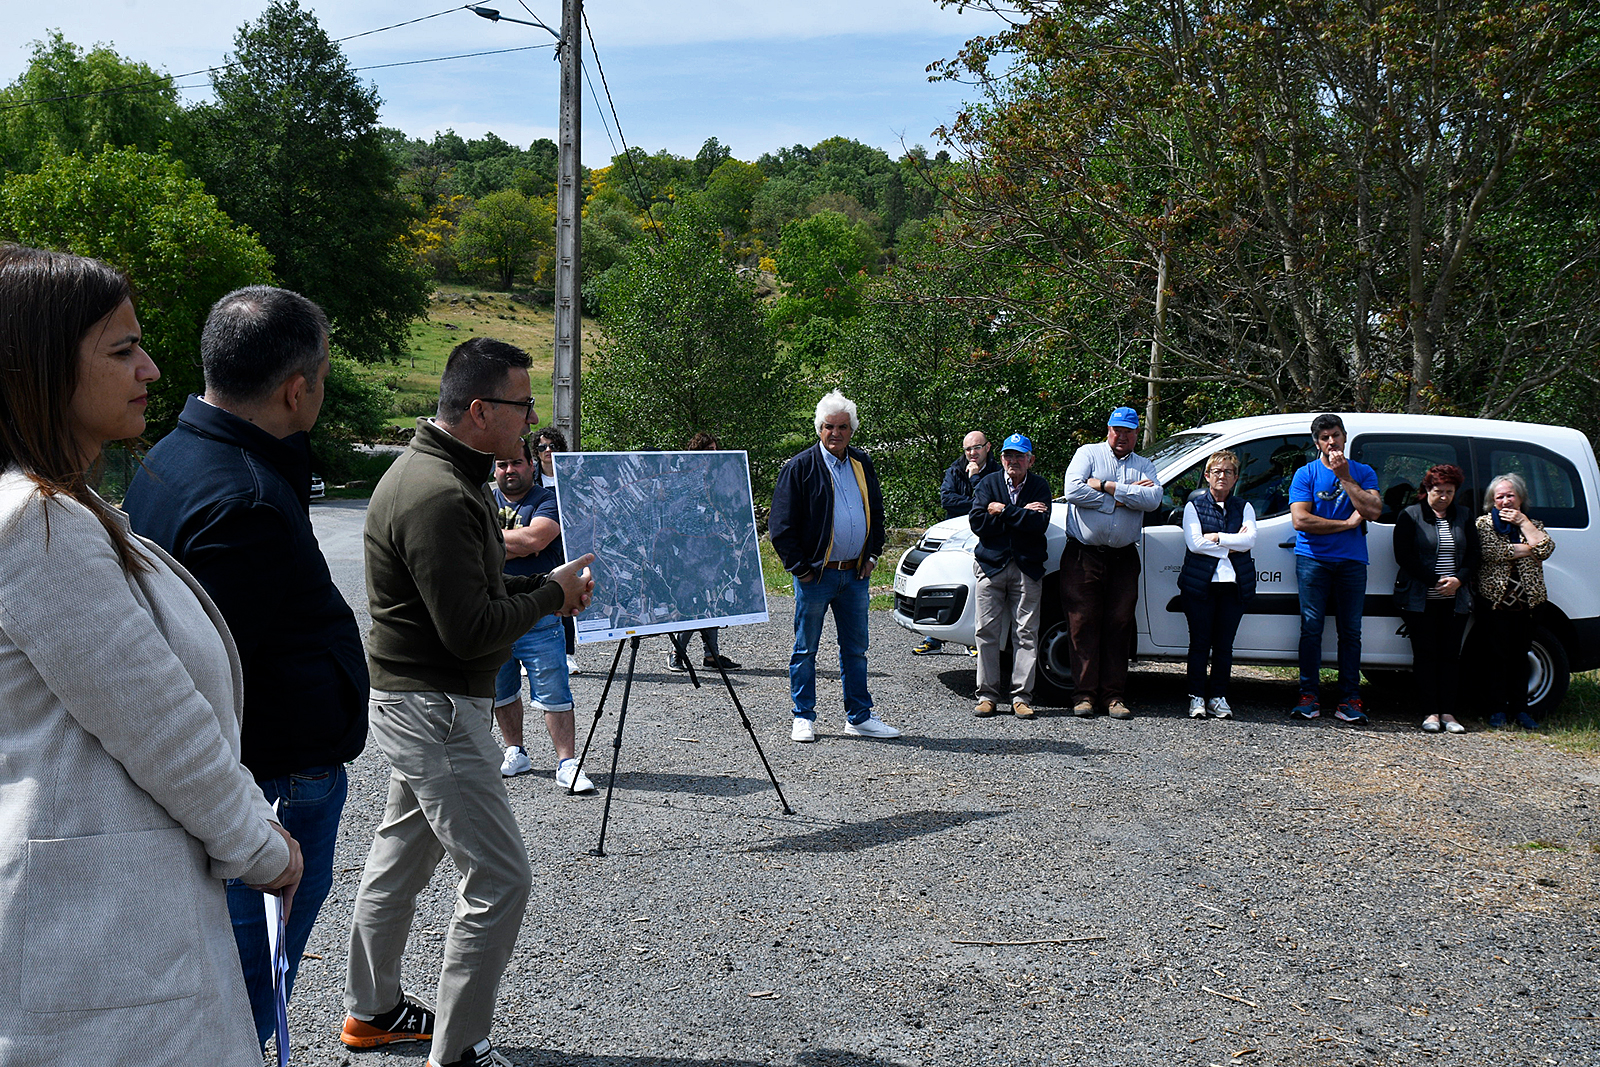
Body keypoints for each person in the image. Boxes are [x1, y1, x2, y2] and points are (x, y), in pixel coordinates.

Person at [0, 245, 300, 1064]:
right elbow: (161, 723)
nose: (152, 368)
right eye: (122, 348)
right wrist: (262, 845)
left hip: (110, 925)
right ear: (42, 367)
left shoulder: (64, 507)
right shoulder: (41, 523)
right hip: (98, 942)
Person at [124, 286, 367, 1049]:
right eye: (322, 375)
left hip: (268, 777)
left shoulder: (178, 451)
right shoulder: (247, 499)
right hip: (274, 787)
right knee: (246, 990)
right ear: (298, 387)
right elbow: (206, 685)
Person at [342, 337, 595, 1067]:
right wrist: (552, 594)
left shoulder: (449, 476)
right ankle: (457, 1051)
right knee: (501, 876)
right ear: (481, 409)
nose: (530, 419)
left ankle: (371, 1011)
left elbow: (473, 592)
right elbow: (471, 627)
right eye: (521, 404)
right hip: (438, 708)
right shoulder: (442, 493)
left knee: (396, 860)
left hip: (419, 702)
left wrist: (547, 589)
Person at [770, 389, 901, 742]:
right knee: (805, 649)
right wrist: (802, 569)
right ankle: (803, 716)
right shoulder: (799, 468)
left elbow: (876, 512)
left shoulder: (862, 463)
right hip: (816, 576)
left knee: (856, 650)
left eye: (843, 427)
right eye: (829, 426)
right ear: (819, 428)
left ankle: (859, 717)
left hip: (855, 575)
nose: (836, 433)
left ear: (852, 430)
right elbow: (780, 527)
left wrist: (872, 556)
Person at [491, 438, 596, 792]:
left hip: (541, 614)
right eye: (502, 464)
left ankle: (567, 763)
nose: (509, 471)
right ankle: (515, 751)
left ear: (531, 465)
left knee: (554, 691)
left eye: (516, 463)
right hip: (496, 613)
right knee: (501, 688)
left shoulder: (549, 500)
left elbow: (535, 540)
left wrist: (484, 542)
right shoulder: (483, 501)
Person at [1061, 406, 1163, 718]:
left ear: (1136, 435)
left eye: (1128, 431)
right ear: (1108, 430)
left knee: (1119, 625)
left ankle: (1114, 697)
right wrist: (1124, 499)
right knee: (1082, 624)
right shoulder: (1087, 453)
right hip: (1084, 555)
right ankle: (1084, 695)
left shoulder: (1145, 465)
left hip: (1123, 558)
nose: (1122, 436)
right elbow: (1072, 489)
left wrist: (1107, 487)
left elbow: (1154, 499)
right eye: (1117, 430)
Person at [1288, 414, 1382, 723]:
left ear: (1345, 437)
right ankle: (1308, 695)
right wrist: (1345, 524)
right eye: (1325, 438)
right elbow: (1301, 520)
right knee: (1311, 628)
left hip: (1352, 562)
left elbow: (1373, 511)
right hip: (1313, 560)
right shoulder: (1306, 474)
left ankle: (1350, 699)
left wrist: (1344, 477)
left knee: (1351, 632)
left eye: (1336, 436)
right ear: (1317, 443)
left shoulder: (1363, 472)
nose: (1332, 442)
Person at [970, 433, 1052, 719]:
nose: (1013, 461)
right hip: (991, 566)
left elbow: (1039, 524)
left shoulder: (1040, 486)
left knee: (1026, 634)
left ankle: (1021, 697)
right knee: (986, 632)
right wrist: (1020, 516)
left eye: (1019, 456)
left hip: (1027, 568)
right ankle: (987, 695)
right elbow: (978, 522)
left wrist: (1002, 510)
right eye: (1008, 455)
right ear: (1001, 458)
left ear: (1030, 459)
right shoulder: (989, 482)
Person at [1393, 464, 1477, 733]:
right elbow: (1403, 556)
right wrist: (1434, 580)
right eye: (1438, 491)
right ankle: (1430, 712)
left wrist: (1458, 580)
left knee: (1451, 656)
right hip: (1420, 598)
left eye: (1449, 492)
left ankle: (1449, 714)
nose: (1444, 497)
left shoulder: (1464, 515)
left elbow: (1475, 555)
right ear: (1427, 489)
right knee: (1426, 656)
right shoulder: (1410, 515)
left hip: (1456, 598)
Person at [1178, 450, 1257, 719]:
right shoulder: (1194, 507)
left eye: (1228, 472)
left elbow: (1249, 542)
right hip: (1201, 586)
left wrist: (1217, 538)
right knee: (1200, 644)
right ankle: (1197, 697)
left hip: (1234, 587)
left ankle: (1218, 697)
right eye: (1217, 471)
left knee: (1224, 646)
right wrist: (1231, 542)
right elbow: (1194, 543)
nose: (1222, 476)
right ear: (1207, 476)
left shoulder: (1244, 507)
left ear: (1235, 478)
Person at [1474, 473, 1555, 730]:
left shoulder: (1533, 524)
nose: (1506, 501)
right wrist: (1529, 548)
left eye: (1511, 495)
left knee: (1521, 657)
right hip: (1495, 602)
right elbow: (1491, 552)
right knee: (1495, 658)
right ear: (1492, 501)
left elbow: (1546, 549)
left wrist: (1523, 524)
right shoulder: (1483, 524)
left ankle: (1521, 710)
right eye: (1500, 496)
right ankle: (1497, 709)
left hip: (1529, 604)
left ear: (1520, 498)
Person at [913, 431, 1002, 656]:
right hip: (955, 536)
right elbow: (947, 500)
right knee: (944, 585)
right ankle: (933, 638)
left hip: (984, 536)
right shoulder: (954, 469)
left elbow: (995, 501)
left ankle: (971, 640)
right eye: (968, 449)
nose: (972, 453)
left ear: (988, 447)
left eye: (977, 448)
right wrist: (978, 504)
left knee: (974, 586)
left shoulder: (997, 472)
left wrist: (975, 480)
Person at [667, 431, 742, 673]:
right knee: (695, 601)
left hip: (714, 548)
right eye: (709, 451)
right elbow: (680, 516)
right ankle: (676, 653)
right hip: (691, 550)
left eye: (716, 452)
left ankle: (711, 656)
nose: (714, 456)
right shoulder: (686, 480)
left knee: (714, 600)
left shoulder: (718, 479)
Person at [533, 425, 582, 676]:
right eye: (542, 447)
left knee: (566, 596)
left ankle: (567, 654)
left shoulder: (572, 477)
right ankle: (531, 655)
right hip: (542, 547)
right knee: (539, 597)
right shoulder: (532, 481)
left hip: (567, 544)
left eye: (552, 446)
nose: (548, 451)